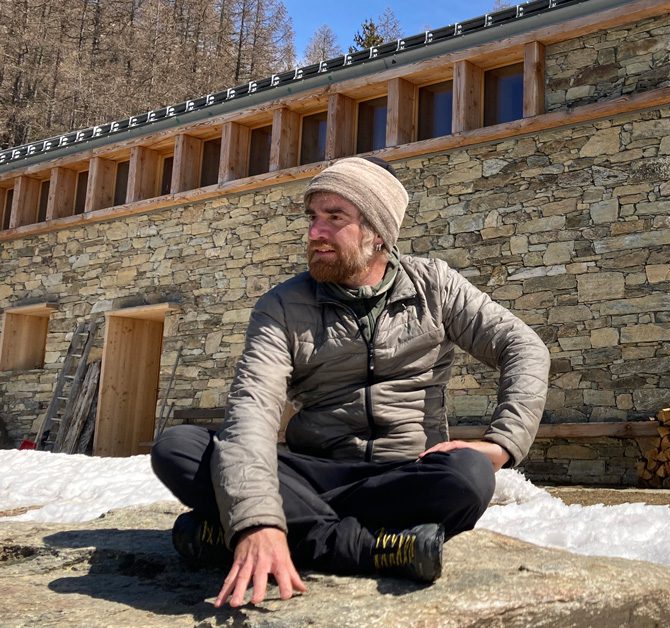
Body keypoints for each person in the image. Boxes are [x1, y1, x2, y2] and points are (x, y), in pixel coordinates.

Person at [151, 156, 550, 608]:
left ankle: (238, 534)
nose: (315, 232)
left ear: (378, 232)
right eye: (313, 217)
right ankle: (375, 549)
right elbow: (252, 411)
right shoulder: (281, 306)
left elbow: (524, 347)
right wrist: (257, 521)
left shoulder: (434, 286)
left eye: (335, 218)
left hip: (406, 474)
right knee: (178, 447)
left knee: (469, 476)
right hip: (313, 474)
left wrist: (501, 444)